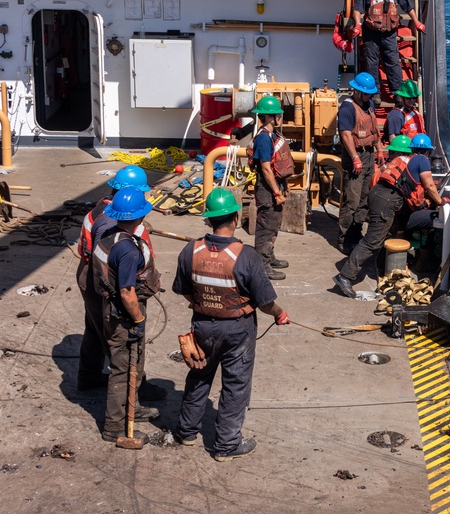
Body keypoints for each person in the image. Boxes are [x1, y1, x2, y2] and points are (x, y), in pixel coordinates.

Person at [172, 188, 290, 461]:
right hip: (237, 330)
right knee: (235, 385)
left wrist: (205, 305)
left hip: (202, 325)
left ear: (210, 219)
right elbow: (265, 301)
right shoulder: (246, 256)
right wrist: (280, 313)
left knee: (199, 375)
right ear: (235, 218)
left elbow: (185, 292)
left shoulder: (191, 250)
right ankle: (226, 445)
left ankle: (187, 431)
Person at [76, 165, 166, 401]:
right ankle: (134, 393)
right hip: (107, 283)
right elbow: (110, 262)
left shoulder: (102, 207)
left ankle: (88, 377)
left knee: (95, 330)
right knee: (124, 343)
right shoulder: (109, 223)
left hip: (90, 276)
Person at [333, 134, 446, 298]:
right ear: (427, 151)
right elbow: (428, 185)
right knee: (372, 240)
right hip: (386, 202)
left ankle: (384, 267)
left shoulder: (407, 159)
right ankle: (344, 276)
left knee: (390, 233)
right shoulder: (422, 160)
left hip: (381, 196)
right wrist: (441, 202)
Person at [92, 187, 163, 442]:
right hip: (123, 316)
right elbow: (126, 292)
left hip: (113, 310)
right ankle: (114, 426)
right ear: (140, 217)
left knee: (135, 361)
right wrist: (139, 320)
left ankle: (133, 406)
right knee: (122, 369)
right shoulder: (128, 251)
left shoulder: (110, 236)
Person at [350, 0, 425, 96]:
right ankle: (375, 94)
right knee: (371, 63)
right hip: (371, 34)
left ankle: (396, 93)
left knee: (393, 63)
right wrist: (357, 25)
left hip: (389, 34)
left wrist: (417, 22)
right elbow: (357, 9)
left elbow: (408, 6)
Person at [246, 95, 293, 281]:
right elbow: (266, 168)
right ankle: (262, 265)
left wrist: (285, 185)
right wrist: (276, 192)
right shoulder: (264, 139)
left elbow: (277, 165)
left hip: (275, 184)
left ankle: (269, 256)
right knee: (266, 226)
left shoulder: (273, 136)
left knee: (273, 224)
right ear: (269, 117)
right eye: (276, 115)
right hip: (267, 189)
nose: (279, 117)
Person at [337, 72, 381, 254]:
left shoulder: (369, 104)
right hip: (355, 157)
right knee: (352, 201)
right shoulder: (347, 109)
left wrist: (379, 148)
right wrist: (355, 158)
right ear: (356, 91)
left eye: (370, 93)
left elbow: (373, 128)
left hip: (368, 156)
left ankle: (356, 234)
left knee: (364, 200)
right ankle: (344, 239)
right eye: (365, 93)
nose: (368, 96)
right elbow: (346, 135)